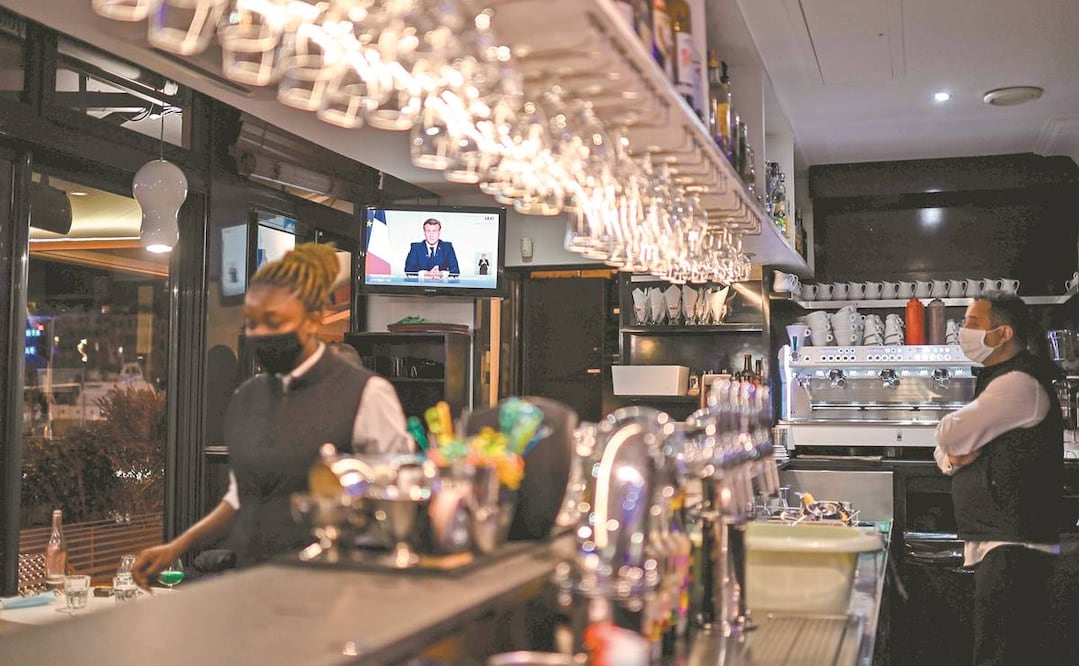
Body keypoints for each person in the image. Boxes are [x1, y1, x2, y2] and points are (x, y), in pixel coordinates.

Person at [133, 244, 412, 585]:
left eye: (274, 321)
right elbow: (240, 497)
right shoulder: (246, 398)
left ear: (313, 319)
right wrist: (177, 546)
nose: (261, 333)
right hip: (252, 583)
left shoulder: (366, 394)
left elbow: (398, 501)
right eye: (252, 323)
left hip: (330, 587)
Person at [933, 291, 1063, 666]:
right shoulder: (1000, 378)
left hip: (1015, 551)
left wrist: (951, 450)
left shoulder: (1017, 383)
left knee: (998, 656)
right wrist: (952, 458)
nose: (963, 331)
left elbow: (948, 433)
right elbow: (950, 450)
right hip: (1001, 545)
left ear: (1003, 333)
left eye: (973, 323)